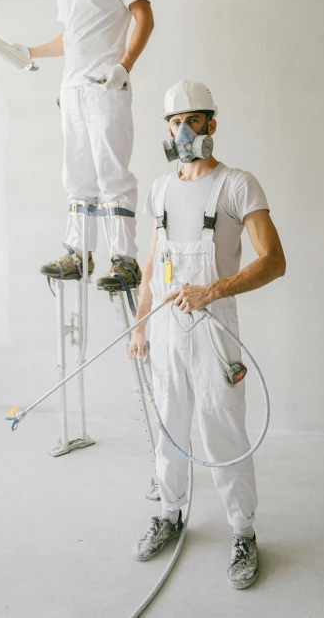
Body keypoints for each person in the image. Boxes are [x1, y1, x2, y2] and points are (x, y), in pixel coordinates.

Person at [127, 80, 286, 589]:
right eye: (174, 122)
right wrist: (140, 320)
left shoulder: (238, 185)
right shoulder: (160, 188)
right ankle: (170, 515)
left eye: (192, 120)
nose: (182, 130)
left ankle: (243, 531)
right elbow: (153, 262)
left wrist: (213, 291)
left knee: (223, 433)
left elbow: (274, 262)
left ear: (211, 125)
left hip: (215, 330)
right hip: (167, 329)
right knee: (170, 429)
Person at [14, 0, 154, 291]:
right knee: (76, 176)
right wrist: (31, 52)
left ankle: (125, 261)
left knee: (112, 174)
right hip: (72, 90)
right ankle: (78, 254)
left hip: (105, 84)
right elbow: (73, 36)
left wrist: (124, 65)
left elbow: (144, 16)